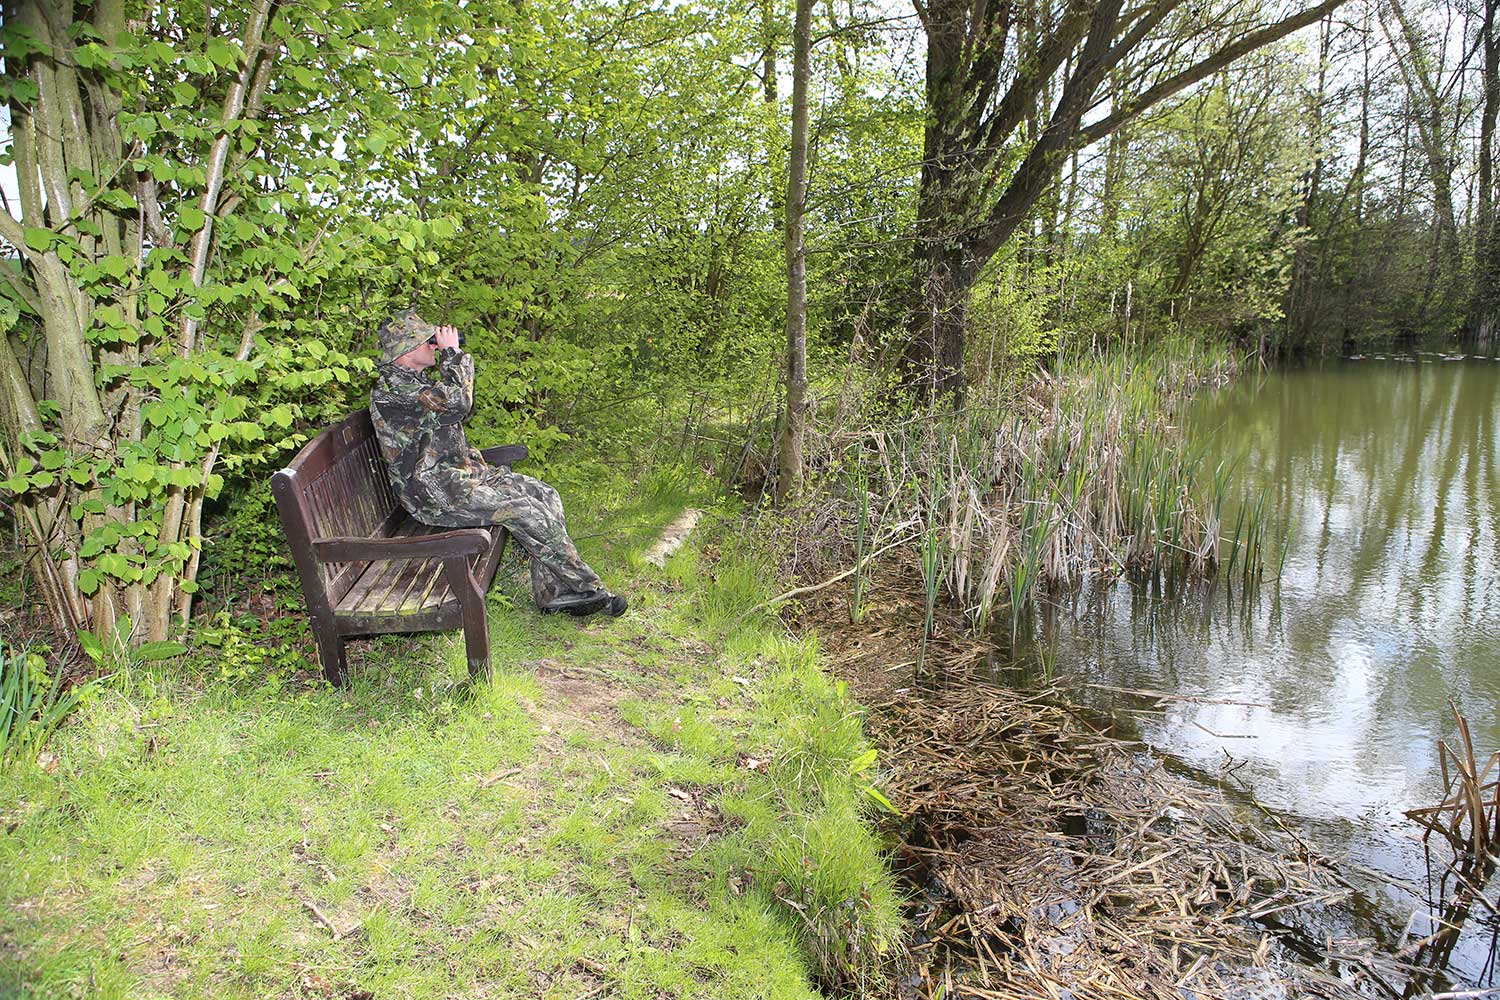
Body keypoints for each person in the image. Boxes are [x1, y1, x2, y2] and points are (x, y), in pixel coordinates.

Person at [369, 309, 626, 617]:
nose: (434, 345)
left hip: (461, 476)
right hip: (436, 496)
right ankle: (588, 589)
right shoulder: (395, 392)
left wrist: (450, 354)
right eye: (428, 341)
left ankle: (554, 591)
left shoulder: (412, 381)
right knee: (523, 510)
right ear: (407, 351)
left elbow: (452, 408)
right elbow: (460, 404)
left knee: (545, 494)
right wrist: (453, 354)